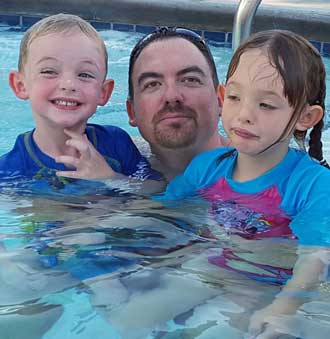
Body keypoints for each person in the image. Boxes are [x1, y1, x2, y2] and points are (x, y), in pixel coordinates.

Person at [160, 30, 330, 337]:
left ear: (306, 117)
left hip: (269, 285)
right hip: (211, 266)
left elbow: (314, 258)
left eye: (266, 105)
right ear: (222, 98)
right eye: (236, 98)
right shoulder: (207, 168)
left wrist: (282, 309)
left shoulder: (313, 185)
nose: (245, 115)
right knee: (130, 315)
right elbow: (165, 214)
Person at [0, 13, 160, 190]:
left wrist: (110, 177)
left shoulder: (116, 144)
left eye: (85, 74)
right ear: (20, 85)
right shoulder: (8, 172)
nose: (68, 85)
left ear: (103, 92)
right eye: (49, 71)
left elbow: (157, 191)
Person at [55, 27, 228, 181]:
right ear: (131, 112)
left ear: (221, 99)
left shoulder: (252, 168)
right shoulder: (114, 161)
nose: (171, 96)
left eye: (190, 79)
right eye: (152, 84)